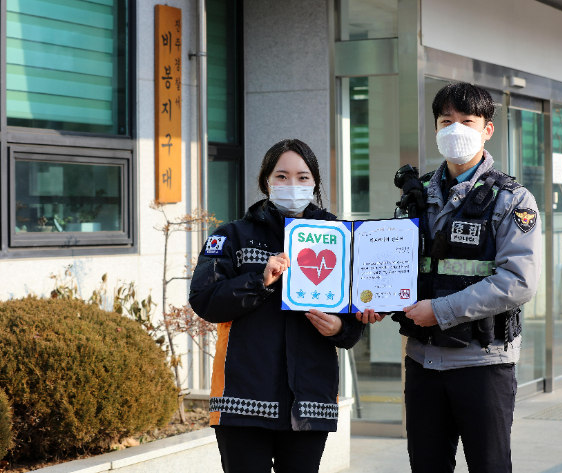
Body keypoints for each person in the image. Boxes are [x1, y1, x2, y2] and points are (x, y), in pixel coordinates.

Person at [359, 82, 542, 472]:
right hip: (423, 360)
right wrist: (372, 300)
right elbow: (397, 264)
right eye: (446, 121)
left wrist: (440, 311)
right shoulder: (418, 193)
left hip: (483, 363)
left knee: (489, 466)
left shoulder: (512, 199)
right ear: (437, 129)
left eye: (467, 121)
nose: (455, 129)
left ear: (487, 129)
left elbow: (519, 281)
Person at [190, 139, 376, 473]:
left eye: (303, 178)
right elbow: (204, 300)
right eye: (282, 176)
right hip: (242, 398)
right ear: (266, 181)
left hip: (309, 401)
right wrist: (259, 280)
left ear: (315, 183)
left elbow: (352, 318)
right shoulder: (232, 236)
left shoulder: (340, 237)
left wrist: (342, 328)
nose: (293, 185)